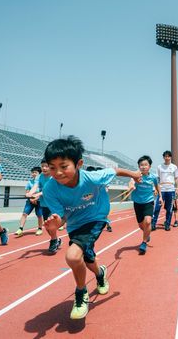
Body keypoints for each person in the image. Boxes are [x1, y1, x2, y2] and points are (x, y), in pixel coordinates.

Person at [41, 136, 141, 319]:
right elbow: (61, 218)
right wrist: (56, 224)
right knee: (86, 260)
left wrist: (134, 175)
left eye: (64, 167)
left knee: (72, 256)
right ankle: (100, 273)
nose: (58, 173)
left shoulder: (92, 178)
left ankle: (81, 293)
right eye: (52, 167)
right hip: (75, 225)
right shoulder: (50, 189)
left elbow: (115, 170)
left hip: (96, 218)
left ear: (78, 163)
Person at [127, 155, 159, 254]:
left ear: (149, 166)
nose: (143, 167)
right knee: (141, 225)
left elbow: (157, 186)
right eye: (141, 165)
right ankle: (147, 234)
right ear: (139, 166)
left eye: (146, 165)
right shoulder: (136, 175)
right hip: (137, 203)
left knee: (148, 222)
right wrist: (131, 187)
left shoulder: (153, 177)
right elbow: (131, 182)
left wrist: (160, 195)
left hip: (148, 202)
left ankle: (144, 243)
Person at [30, 159, 62, 253]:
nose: (44, 168)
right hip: (44, 204)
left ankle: (53, 241)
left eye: (46, 166)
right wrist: (31, 193)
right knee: (47, 226)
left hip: (53, 205)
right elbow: (35, 186)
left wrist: (38, 195)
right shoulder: (40, 177)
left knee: (51, 225)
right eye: (42, 166)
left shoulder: (54, 177)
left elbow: (48, 190)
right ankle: (55, 239)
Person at [152, 150, 178, 231]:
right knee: (157, 208)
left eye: (168, 156)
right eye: (165, 156)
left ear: (170, 157)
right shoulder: (159, 167)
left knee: (169, 209)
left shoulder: (174, 167)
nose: (167, 158)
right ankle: (153, 224)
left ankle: (167, 225)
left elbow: (176, 178)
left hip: (171, 190)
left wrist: (177, 188)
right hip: (162, 190)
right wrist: (155, 189)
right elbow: (157, 179)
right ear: (163, 157)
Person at [15, 166, 44, 237]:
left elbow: (43, 192)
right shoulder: (29, 182)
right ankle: (20, 229)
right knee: (24, 214)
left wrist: (36, 198)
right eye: (32, 172)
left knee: (39, 215)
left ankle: (40, 228)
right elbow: (27, 192)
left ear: (39, 174)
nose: (34, 174)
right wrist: (31, 198)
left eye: (35, 173)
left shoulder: (42, 182)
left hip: (39, 201)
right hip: (30, 201)